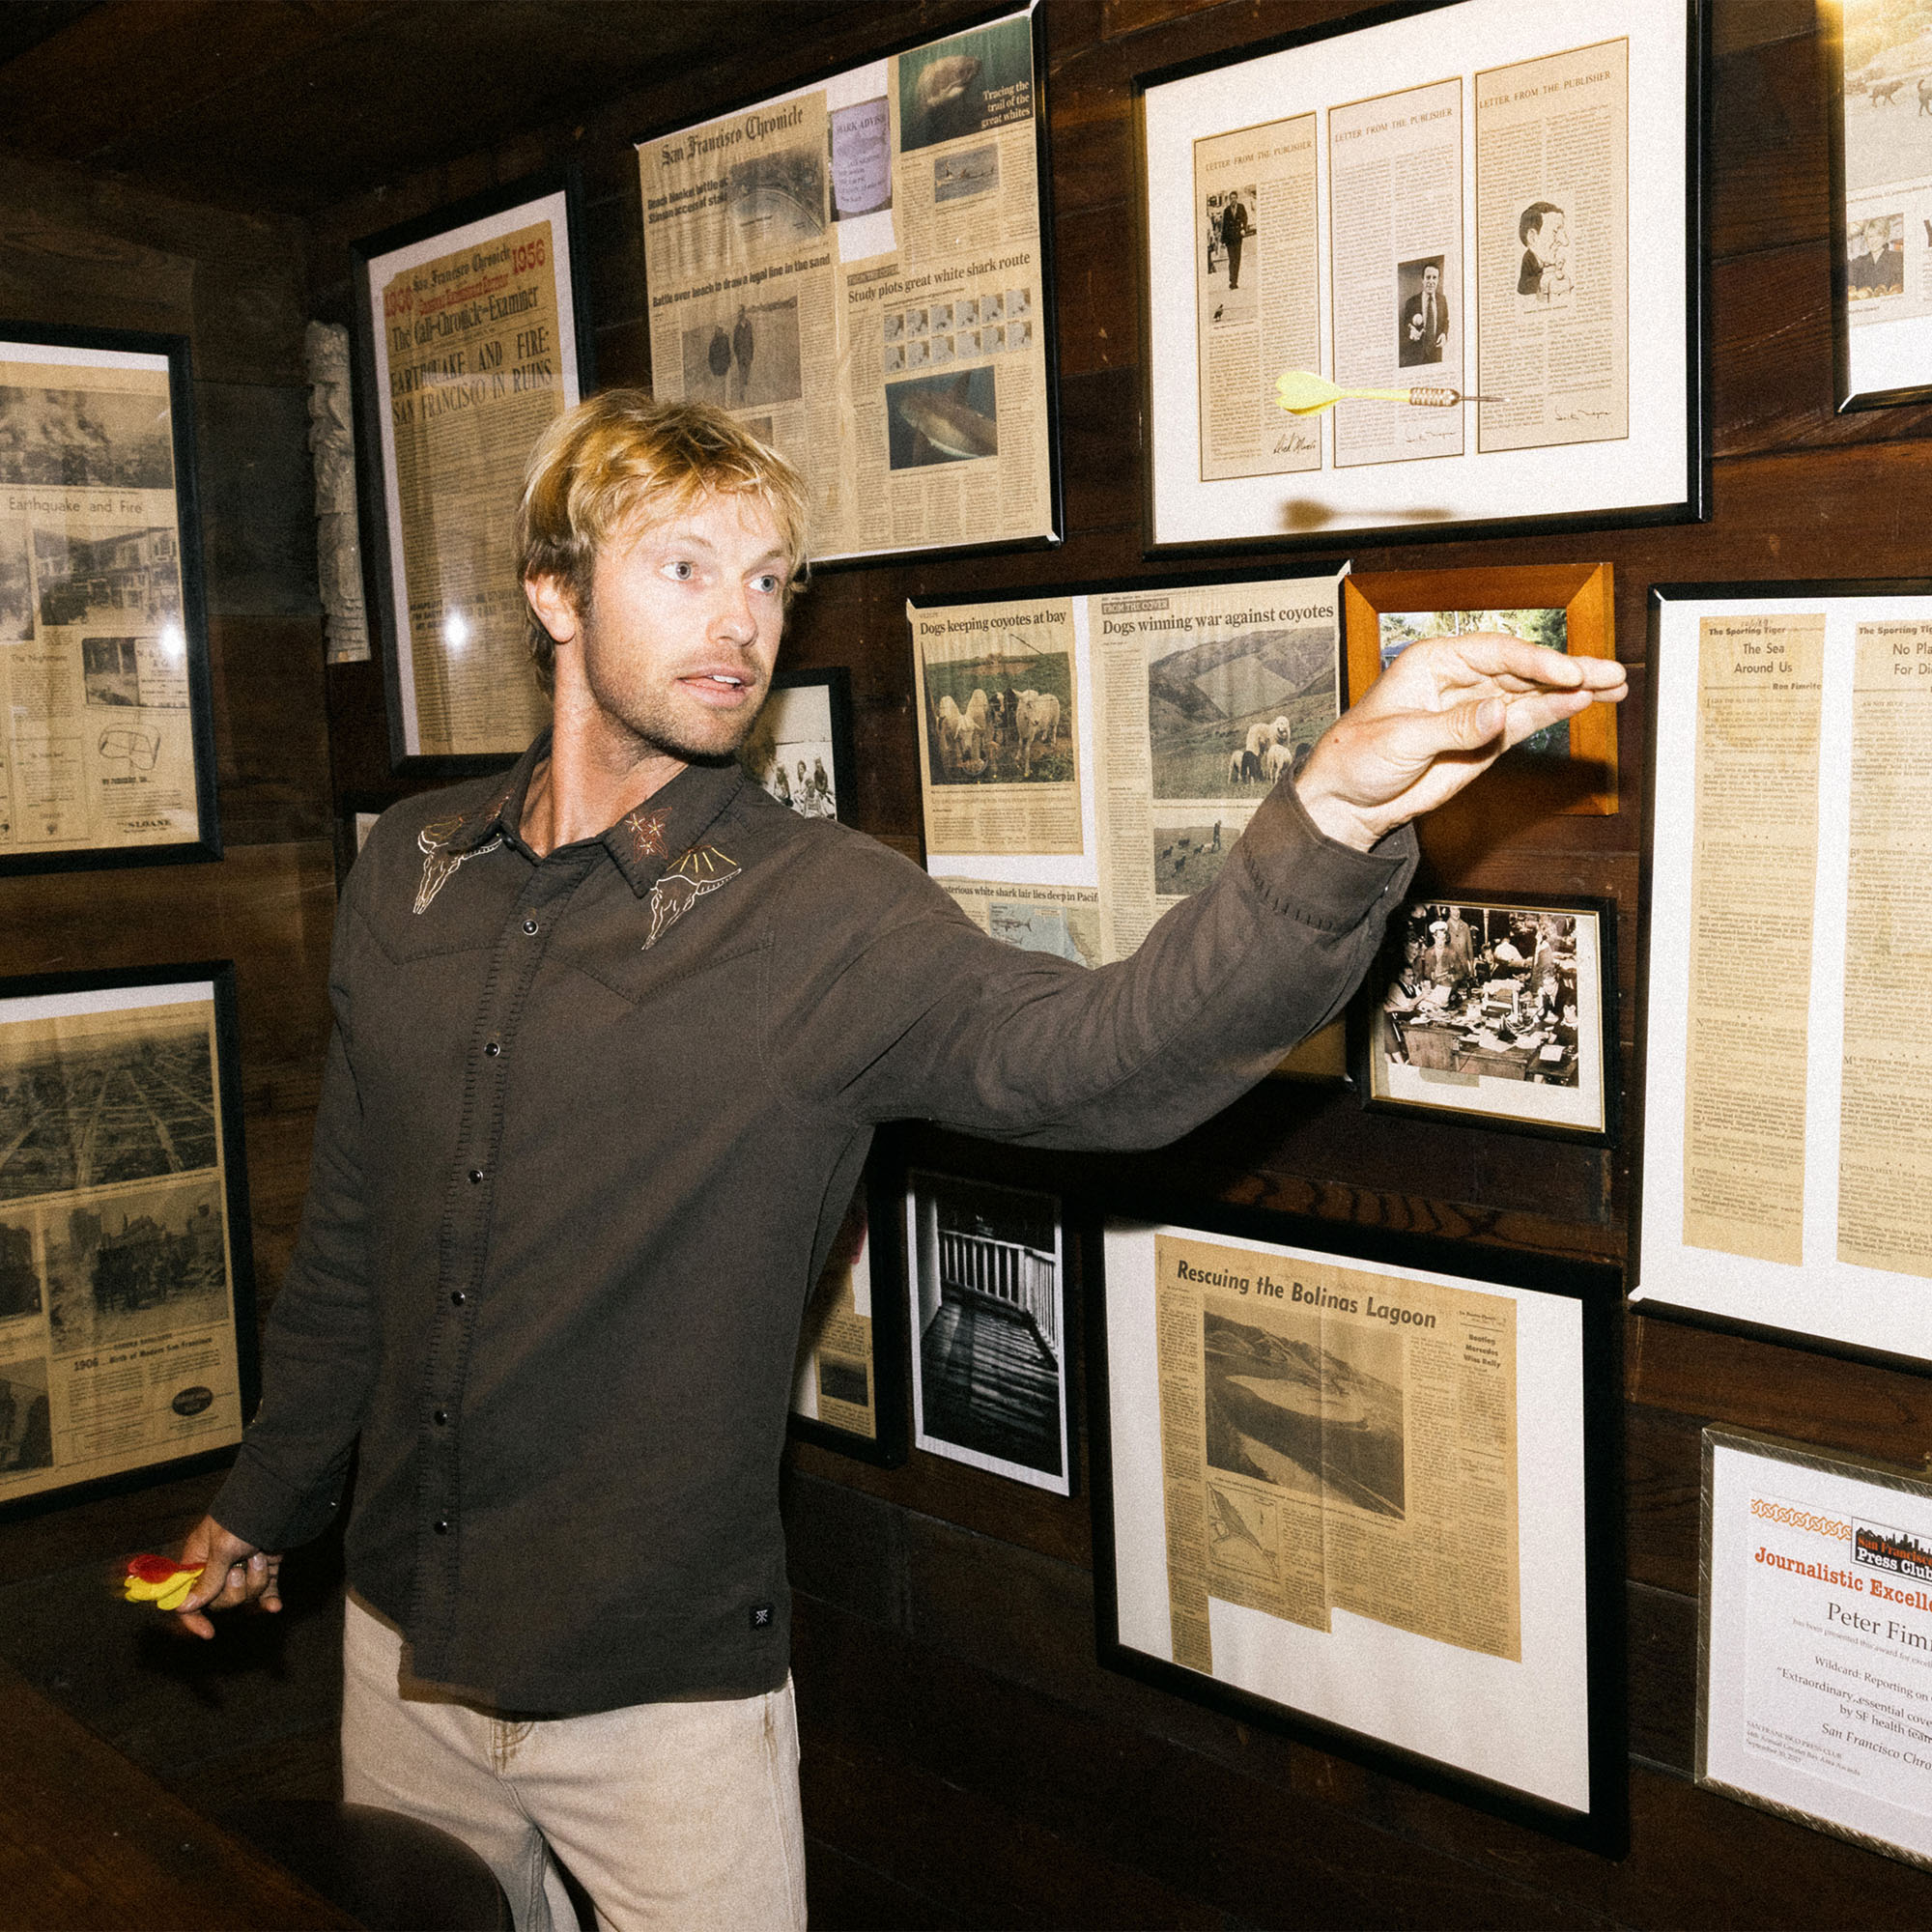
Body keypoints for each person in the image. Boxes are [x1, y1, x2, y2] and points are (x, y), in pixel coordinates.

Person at [172, 393, 1623, 1931]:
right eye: (685, 569)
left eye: (769, 577)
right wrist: (264, 1504)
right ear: (553, 591)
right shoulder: (412, 866)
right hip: (399, 1654)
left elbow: (1101, 1061)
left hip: (661, 1708)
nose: (740, 622)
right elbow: (352, 1246)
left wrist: (1328, 816)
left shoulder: (822, 914)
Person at [1400, 263, 1448, 365]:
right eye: (1428, 277)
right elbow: (1405, 324)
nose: (1431, 281)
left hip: (1436, 355)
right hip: (1416, 356)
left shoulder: (1442, 300)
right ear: (1422, 280)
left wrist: (1444, 334)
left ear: (1438, 280)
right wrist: (1410, 332)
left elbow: (1445, 320)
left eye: (1434, 278)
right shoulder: (1411, 302)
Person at [1518, 201, 1568, 298]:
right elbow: (1523, 287)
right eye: (1555, 232)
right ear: (1532, 237)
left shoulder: (1545, 261)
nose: (1565, 242)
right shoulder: (1528, 262)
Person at [1219, 194, 1249, 291]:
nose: (1233, 200)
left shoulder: (1241, 207)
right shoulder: (1226, 211)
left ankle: (1235, 280)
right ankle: (1232, 281)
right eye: (1231, 199)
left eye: (1234, 198)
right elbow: (1224, 226)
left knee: (1237, 259)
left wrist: (1244, 229)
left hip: (1238, 238)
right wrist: (1223, 240)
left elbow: (1245, 219)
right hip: (1229, 239)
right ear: (1229, 200)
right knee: (1232, 260)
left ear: (1237, 198)